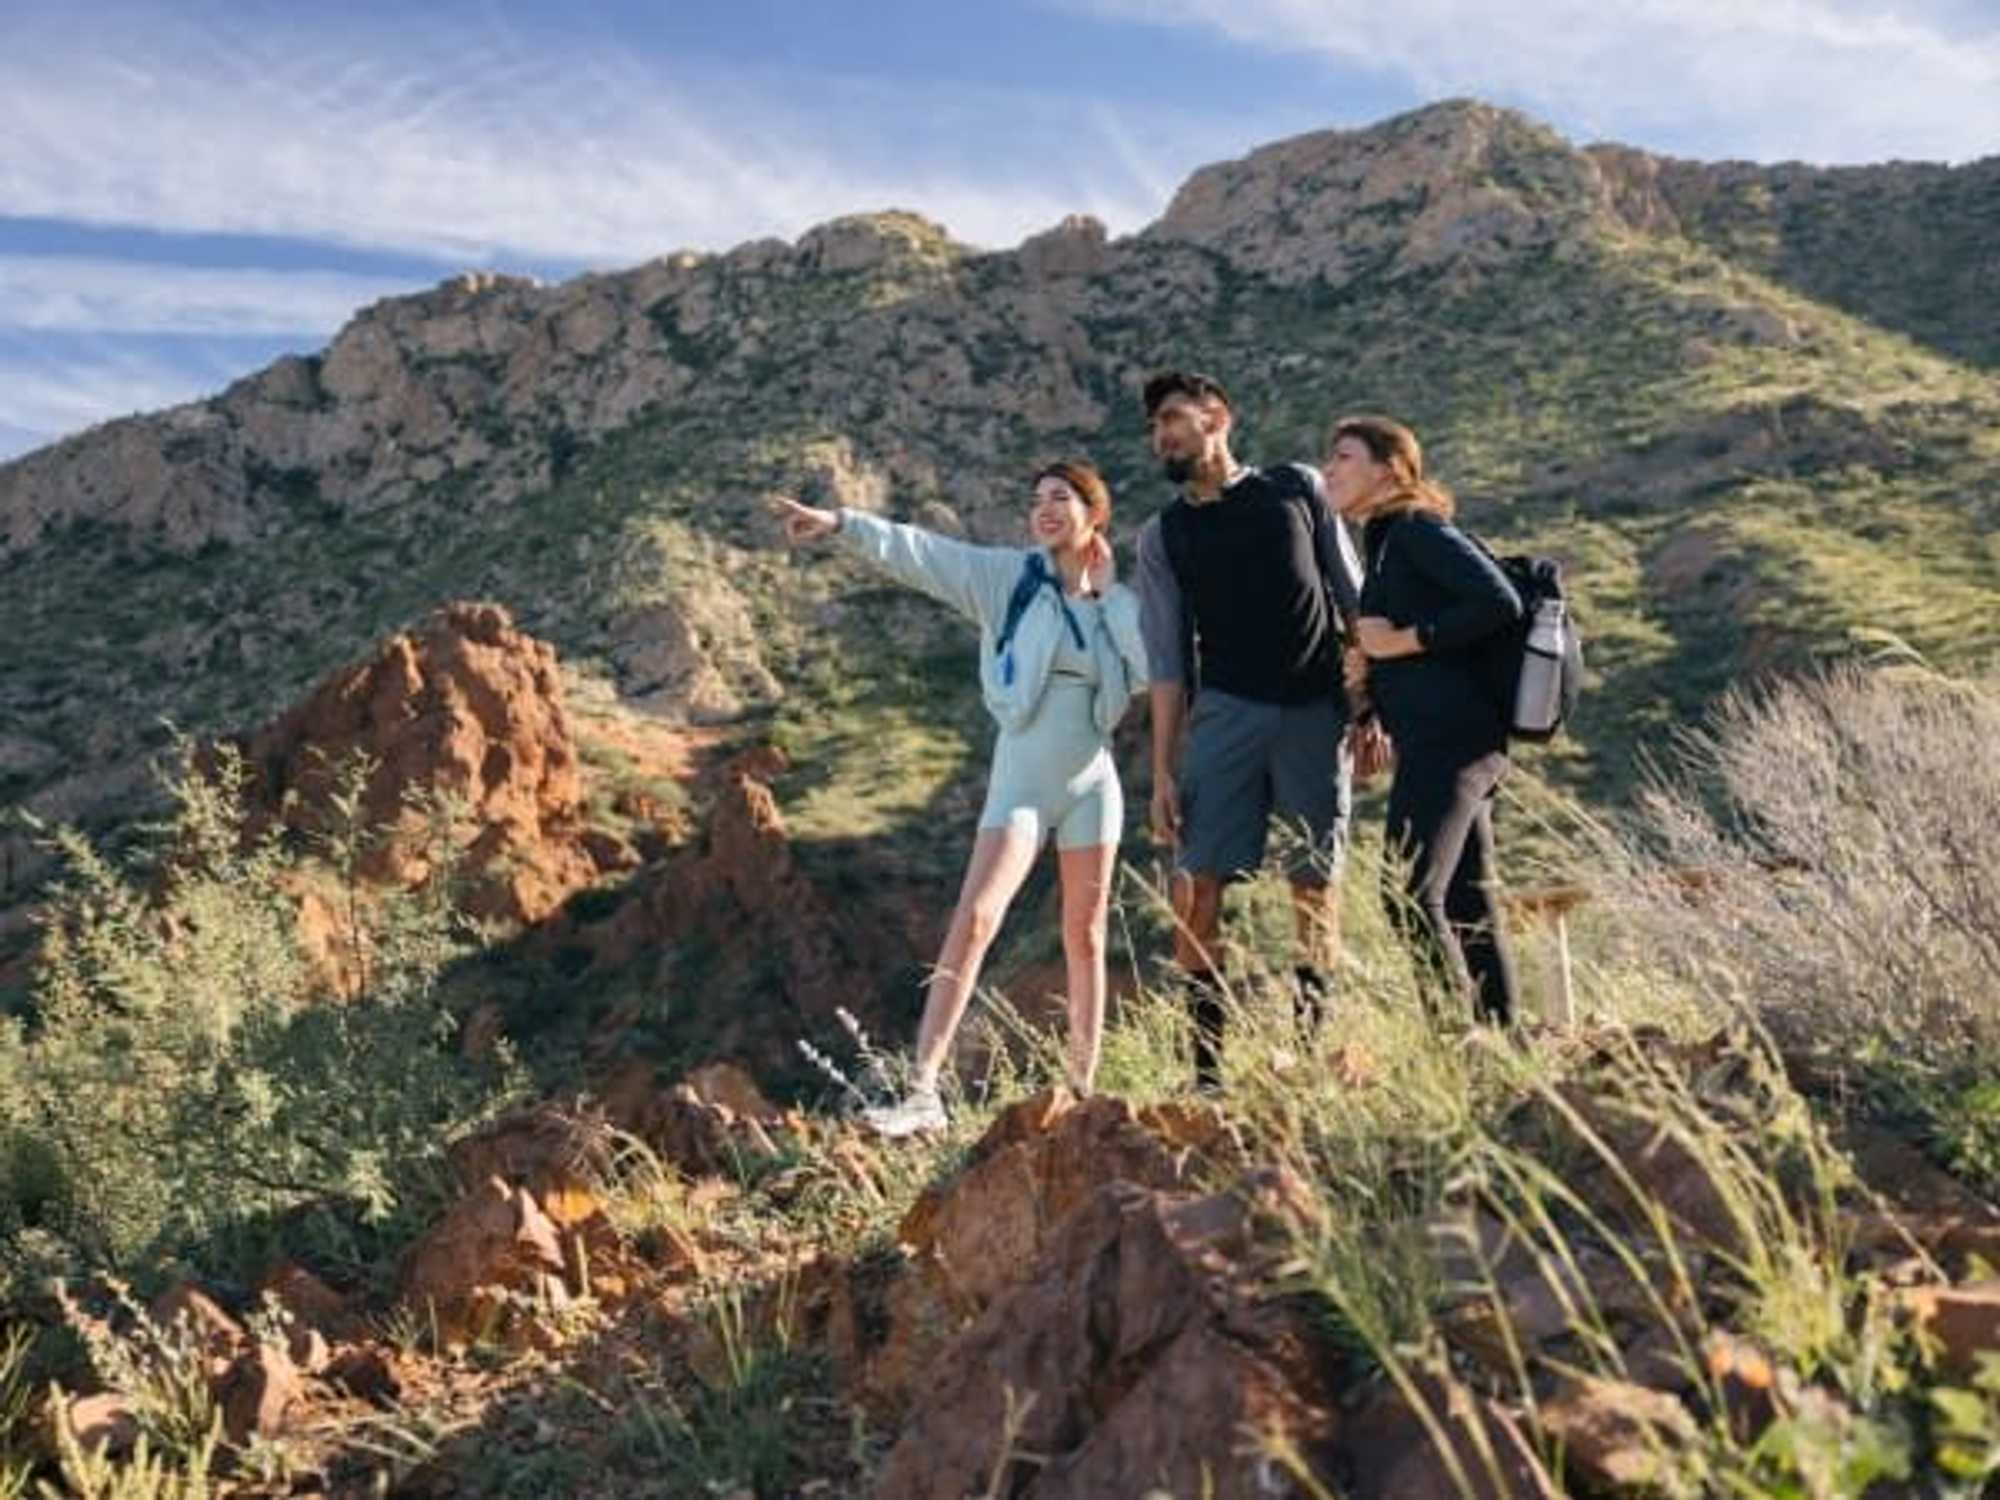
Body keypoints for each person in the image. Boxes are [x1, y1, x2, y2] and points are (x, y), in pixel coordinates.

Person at [770, 461, 1147, 1136]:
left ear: (1096, 514)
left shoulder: (1115, 604)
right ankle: (922, 1090)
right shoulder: (1010, 580)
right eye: (1037, 500)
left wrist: (1108, 595)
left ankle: (1081, 1089)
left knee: (1086, 935)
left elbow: (1147, 672)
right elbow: (924, 553)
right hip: (1021, 781)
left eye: (1061, 498)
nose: (1045, 509)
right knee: (975, 918)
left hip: (1094, 783)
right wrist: (841, 524)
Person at [1134, 371, 1387, 1092]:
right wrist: (1162, 773)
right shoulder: (1163, 536)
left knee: (1314, 887)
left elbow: (1354, 600)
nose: (1162, 436)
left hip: (1316, 712)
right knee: (1195, 888)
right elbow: (1167, 664)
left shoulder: (1296, 489)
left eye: (1173, 418)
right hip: (1226, 716)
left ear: (1217, 417)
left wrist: (1373, 707)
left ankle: (1308, 1057)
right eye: (1155, 428)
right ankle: (1207, 1076)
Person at [1325, 414, 1522, 1028]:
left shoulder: (1415, 528)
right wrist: (1370, 674)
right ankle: (1503, 1041)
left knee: (1407, 894)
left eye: (1344, 457)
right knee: (1465, 902)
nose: (1329, 469)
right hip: (1447, 739)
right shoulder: (1386, 540)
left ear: (1389, 470)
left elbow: (1499, 600)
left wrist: (1405, 640)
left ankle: (1453, 1040)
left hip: (1451, 741)